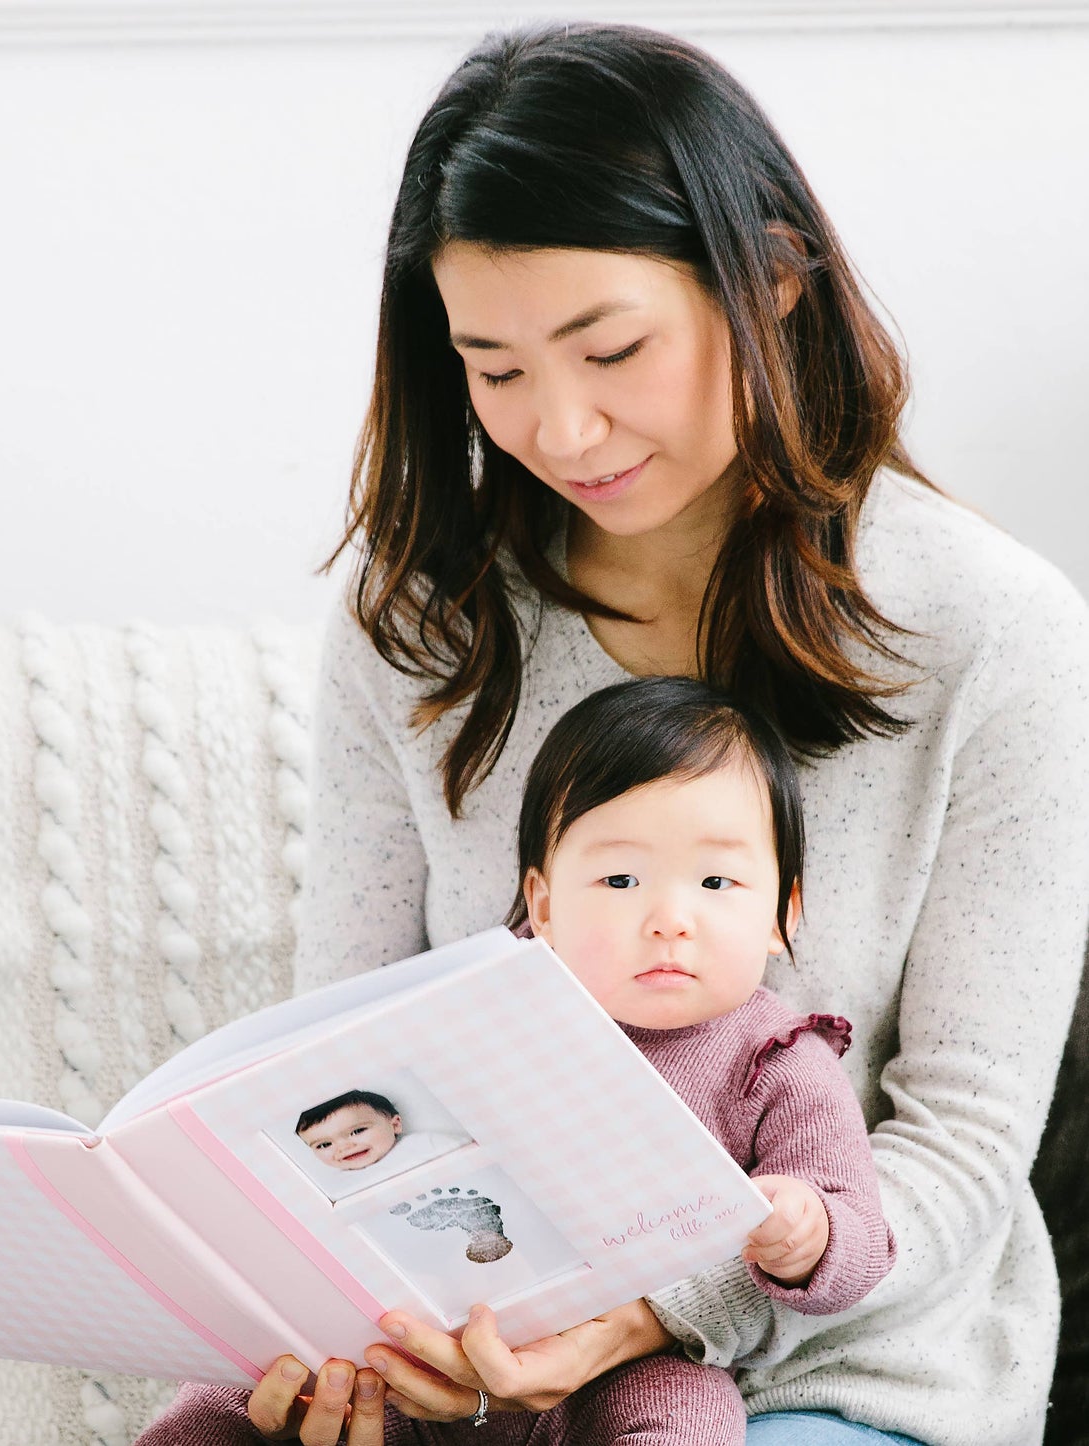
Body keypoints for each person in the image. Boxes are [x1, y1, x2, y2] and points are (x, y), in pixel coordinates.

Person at [139, 19, 1089, 1445]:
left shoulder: (993, 631)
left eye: (610, 348)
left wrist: (654, 1315)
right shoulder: (421, 625)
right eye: (496, 368)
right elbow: (336, 1064)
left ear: (769, 285)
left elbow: (954, 1139)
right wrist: (374, 1326)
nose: (563, 428)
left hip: (841, 1368)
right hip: (463, 1345)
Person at [508, 675, 895, 1443]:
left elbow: (863, 1239)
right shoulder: (499, 1018)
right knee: (224, 1406)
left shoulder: (777, 1061)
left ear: (780, 916)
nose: (668, 921)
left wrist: (808, 1234)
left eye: (716, 882)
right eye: (619, 880)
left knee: (693, 1421)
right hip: (443, 1344)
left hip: (641, 1363)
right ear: (544, 906)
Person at [294, 1089, 469, 1200]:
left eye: (357, 1131)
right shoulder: (335, 1189)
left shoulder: (424, 1143)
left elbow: (474, 1156)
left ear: (395, 1124)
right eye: (324, 1145)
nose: (344, 1147)